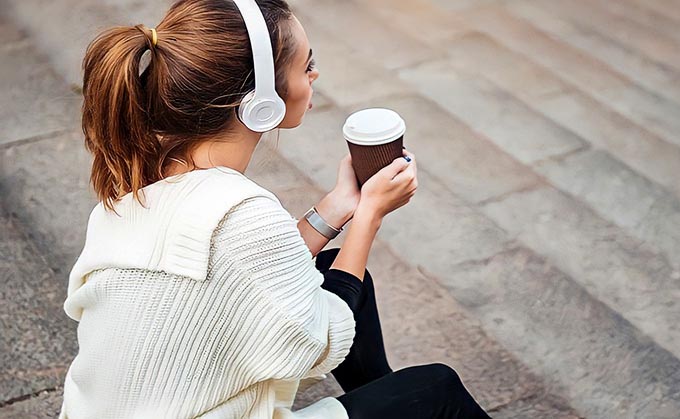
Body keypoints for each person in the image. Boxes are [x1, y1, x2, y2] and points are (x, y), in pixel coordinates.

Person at [59, 0, 492, 417]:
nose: (316, 74)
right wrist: (369, 216)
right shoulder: (242, 213)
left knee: (326, 272)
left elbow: (250, 268)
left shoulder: (139, 186)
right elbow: (319, 338)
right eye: (306, 66)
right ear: (260, 101)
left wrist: (340, 205)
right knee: (436, 389)